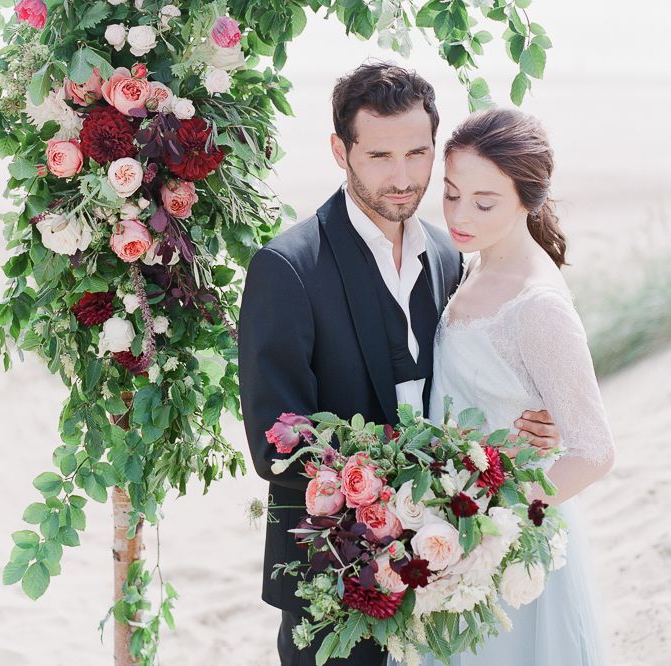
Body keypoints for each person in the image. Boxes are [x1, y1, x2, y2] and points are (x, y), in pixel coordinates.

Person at [238, 63, 560, 666]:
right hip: (333, 582)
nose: (404, 176)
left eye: (418, 153)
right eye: (381, 155)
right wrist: (402, 499)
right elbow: (276, 443)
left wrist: (524, 424)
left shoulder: (446, 253)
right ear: (341, 150)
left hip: (445, 569)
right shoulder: (286, 270)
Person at [401, 107, 615, 666]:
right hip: (454, 529)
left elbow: (594, 451)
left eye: (483, 201)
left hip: (505, 546)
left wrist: (491, 524)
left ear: (528, 199)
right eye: (450, 193)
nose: (459, 214)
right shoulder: (474, 265)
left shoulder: (538, 305)